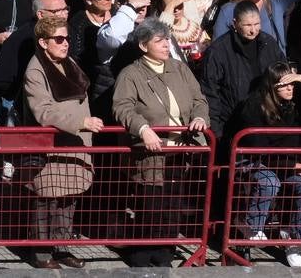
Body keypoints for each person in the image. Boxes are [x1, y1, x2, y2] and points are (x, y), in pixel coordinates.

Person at [111, 18, 210, 267]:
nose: (167, 44)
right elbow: (122, 108)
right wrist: (143, 128)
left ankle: (165, 254)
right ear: (144, 46)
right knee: (151, 206)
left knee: (172, 206)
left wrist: (199, 117)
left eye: (167, 39)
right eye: (160, 41)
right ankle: (143, 256)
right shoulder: (131, 74)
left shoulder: (179, 68)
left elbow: (199, 99)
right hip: (151, 153)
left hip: (180, 151)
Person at [229, 61, 301, 267]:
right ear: (272, 85)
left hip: (287, 163)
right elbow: (259, 147)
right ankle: (250, 229)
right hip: (256, 161)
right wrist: (290, 166)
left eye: (292, 83)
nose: (290, 88)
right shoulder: (255, 105)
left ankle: (298, 238)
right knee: (269, 182)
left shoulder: (297, 103)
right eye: (283, 84)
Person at [20, 15, 98, 270]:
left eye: (67, 38)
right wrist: (82, 122)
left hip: (75, 143)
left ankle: (62, 248)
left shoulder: (68, 62)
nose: (65, 44)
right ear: (44, 42)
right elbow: (44, 112)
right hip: (52, 146)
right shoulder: (35, 69)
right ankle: (41, 253)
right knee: (46, 199)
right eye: (59, 39)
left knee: (68, 198)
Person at [200, 1, 283, 142]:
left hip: (268, 121)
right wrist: (216, 133)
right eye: (247, 25)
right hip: (234, 126)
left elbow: (281, 74)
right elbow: (210, 92)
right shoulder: (218, 51)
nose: (253, 30)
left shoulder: (269, 43)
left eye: (257, 24)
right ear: (235, 23)